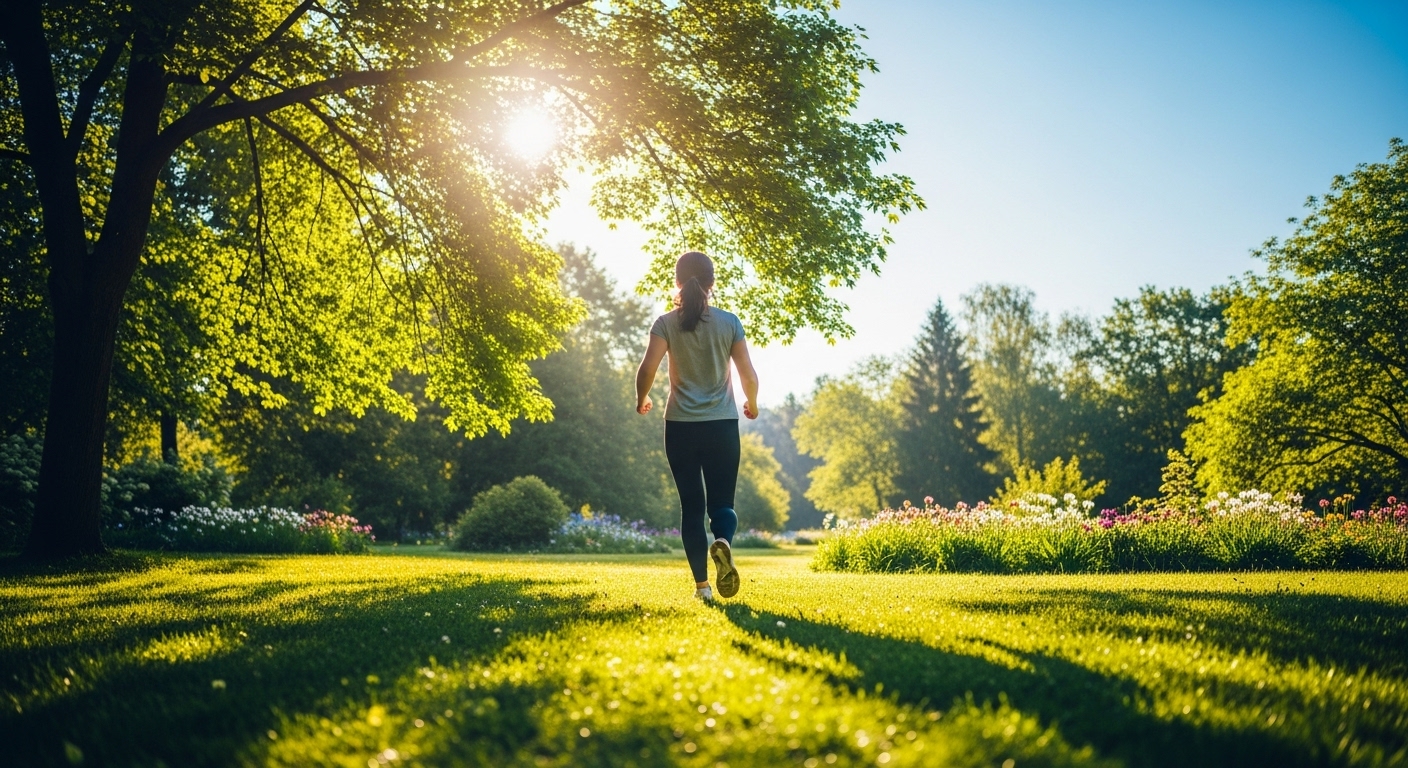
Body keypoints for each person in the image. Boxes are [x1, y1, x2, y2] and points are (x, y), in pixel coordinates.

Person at [635, 251, 759, 601]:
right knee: (722, 504)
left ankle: (702, 588)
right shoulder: (729, 322)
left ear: (677, 282)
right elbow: (748, 374)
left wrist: (642, 398)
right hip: (722, 425)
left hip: (680, 427)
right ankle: (722, 541)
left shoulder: (665, 323)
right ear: (711, 283)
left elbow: (647, 370)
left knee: (691, 506)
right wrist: (752, 402)